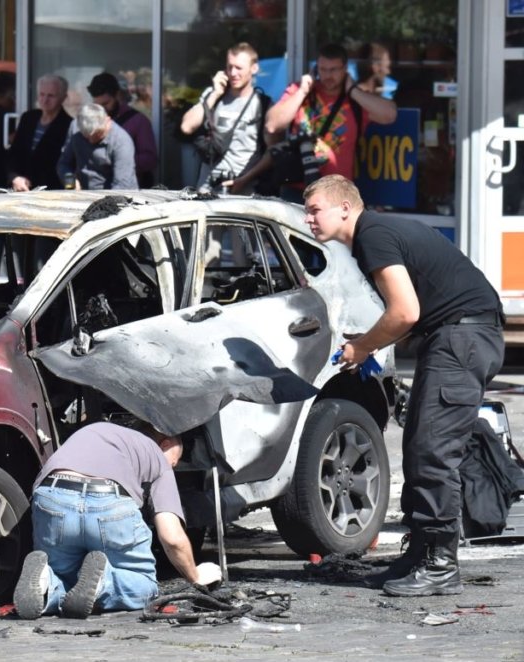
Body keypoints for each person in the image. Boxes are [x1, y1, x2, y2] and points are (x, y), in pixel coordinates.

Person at [303, 175, 505, 597]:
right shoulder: (376, 233)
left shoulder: (373, 235)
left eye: (315, 210)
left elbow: (404, 311)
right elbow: (413, 311)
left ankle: (440, 565)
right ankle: (419, 556)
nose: (308, 219)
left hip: (462, 339)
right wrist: (369, 343)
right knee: (418, 446)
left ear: (345, 208)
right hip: (456, 337)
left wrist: (362, 347)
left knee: (432, 452)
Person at [13, 421, 222, 619]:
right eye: (173, 463)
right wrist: (195, 576)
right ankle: (104, 583)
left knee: (64, 575)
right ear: (165, 445)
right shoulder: (157, 455)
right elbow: (172, 538)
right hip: (108, 500)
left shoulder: (95, 430)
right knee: (145, 584)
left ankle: (46, 583)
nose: (171, 469)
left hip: (52, 496)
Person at [266, 43, 396, 191]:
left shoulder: (355, 100)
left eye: (333, 70)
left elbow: (390, 115)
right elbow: (272, 125)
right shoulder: (300, 90)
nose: (328, 75)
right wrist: (302, 91)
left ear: (345, 69)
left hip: (336, 191)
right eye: (323, 69)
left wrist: (353, 91)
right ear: (316, 69)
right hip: (297, 188)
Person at [179, 42, 276, 195]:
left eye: (239, 68)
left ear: (254, 68)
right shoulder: (214, 96)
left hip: (244, 190)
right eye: (229, 67)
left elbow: (272, 152)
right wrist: (215, 94)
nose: (233, 73)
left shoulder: (263, 105)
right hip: (207, 189)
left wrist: (244, 179)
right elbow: (186, 127)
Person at [86, 72, 157, 187]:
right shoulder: (90, 120)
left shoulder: (138, 121)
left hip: (128, 187)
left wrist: (119, 161)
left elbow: (150, 159)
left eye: (106, 103)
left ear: (117, 95)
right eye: (97, 105)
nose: (102, 110)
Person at [7, 74, 73, 192]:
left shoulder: (69, 125)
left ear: (63, 97)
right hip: (21, 190)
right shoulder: (28, 118)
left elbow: (67, 164)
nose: (45, 100)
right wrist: (14, 177)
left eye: (51, 96)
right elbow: (15, 154)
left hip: (51, 192)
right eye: (42, 94)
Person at [57, 103, 137, 190]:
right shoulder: (75, 128)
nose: (91, 141)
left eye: (97, 135)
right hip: (83, 192)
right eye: (86, 137)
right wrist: (70, 183)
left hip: (113, 192)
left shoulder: (121, 142)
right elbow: (64, 164)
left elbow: (122, 185)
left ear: (108, 121)